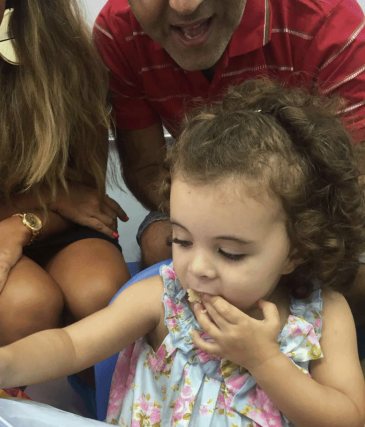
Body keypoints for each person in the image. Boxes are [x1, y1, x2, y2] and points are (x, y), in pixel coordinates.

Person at [0, 80, 365, 427]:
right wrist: (0, 365)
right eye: (182, 240)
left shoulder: (321, 314)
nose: (196, 268)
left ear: (295, 250)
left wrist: (263, 359)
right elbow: (71, 345)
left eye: (230, 253)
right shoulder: (164, 299)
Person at [93, 0, 365, 291]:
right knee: (160, 243)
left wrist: (266, 238)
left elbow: (352, 183)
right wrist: (218, 231)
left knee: (341, 278)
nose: (184, 7)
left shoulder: (328, 20)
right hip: (197, 195)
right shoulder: (119, 30)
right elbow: (146, 168)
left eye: (231, 253)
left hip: (301, 206)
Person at [0, 0, 130, 355]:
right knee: (26, 306)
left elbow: (88, 197)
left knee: (101, 295)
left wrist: (20, 226)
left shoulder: (65, 52)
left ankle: (100, 386)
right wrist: (47, 200)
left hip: (61, 224)